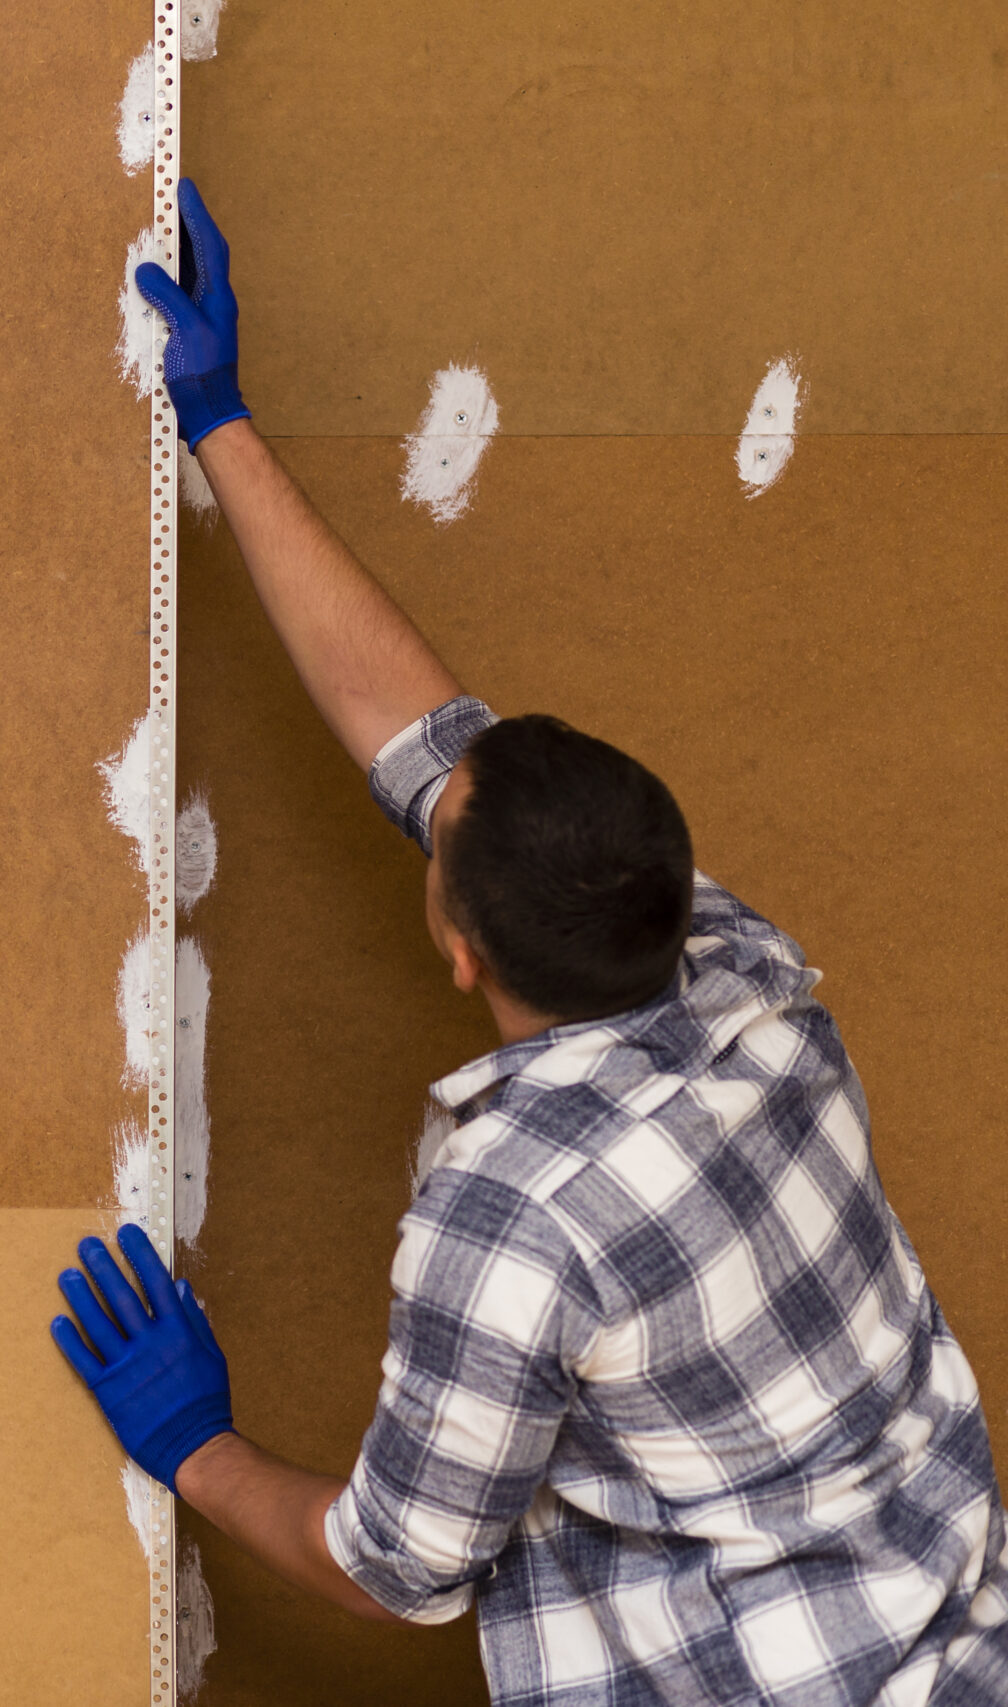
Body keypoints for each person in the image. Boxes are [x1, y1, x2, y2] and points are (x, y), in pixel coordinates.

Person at [51, 180, 1008, 1703]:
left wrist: (201, 1450)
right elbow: (423, 735)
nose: (436, 783)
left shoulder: (516, 1223)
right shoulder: (734, 960)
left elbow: (396, 1568)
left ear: (461, 950)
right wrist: (217, 419)